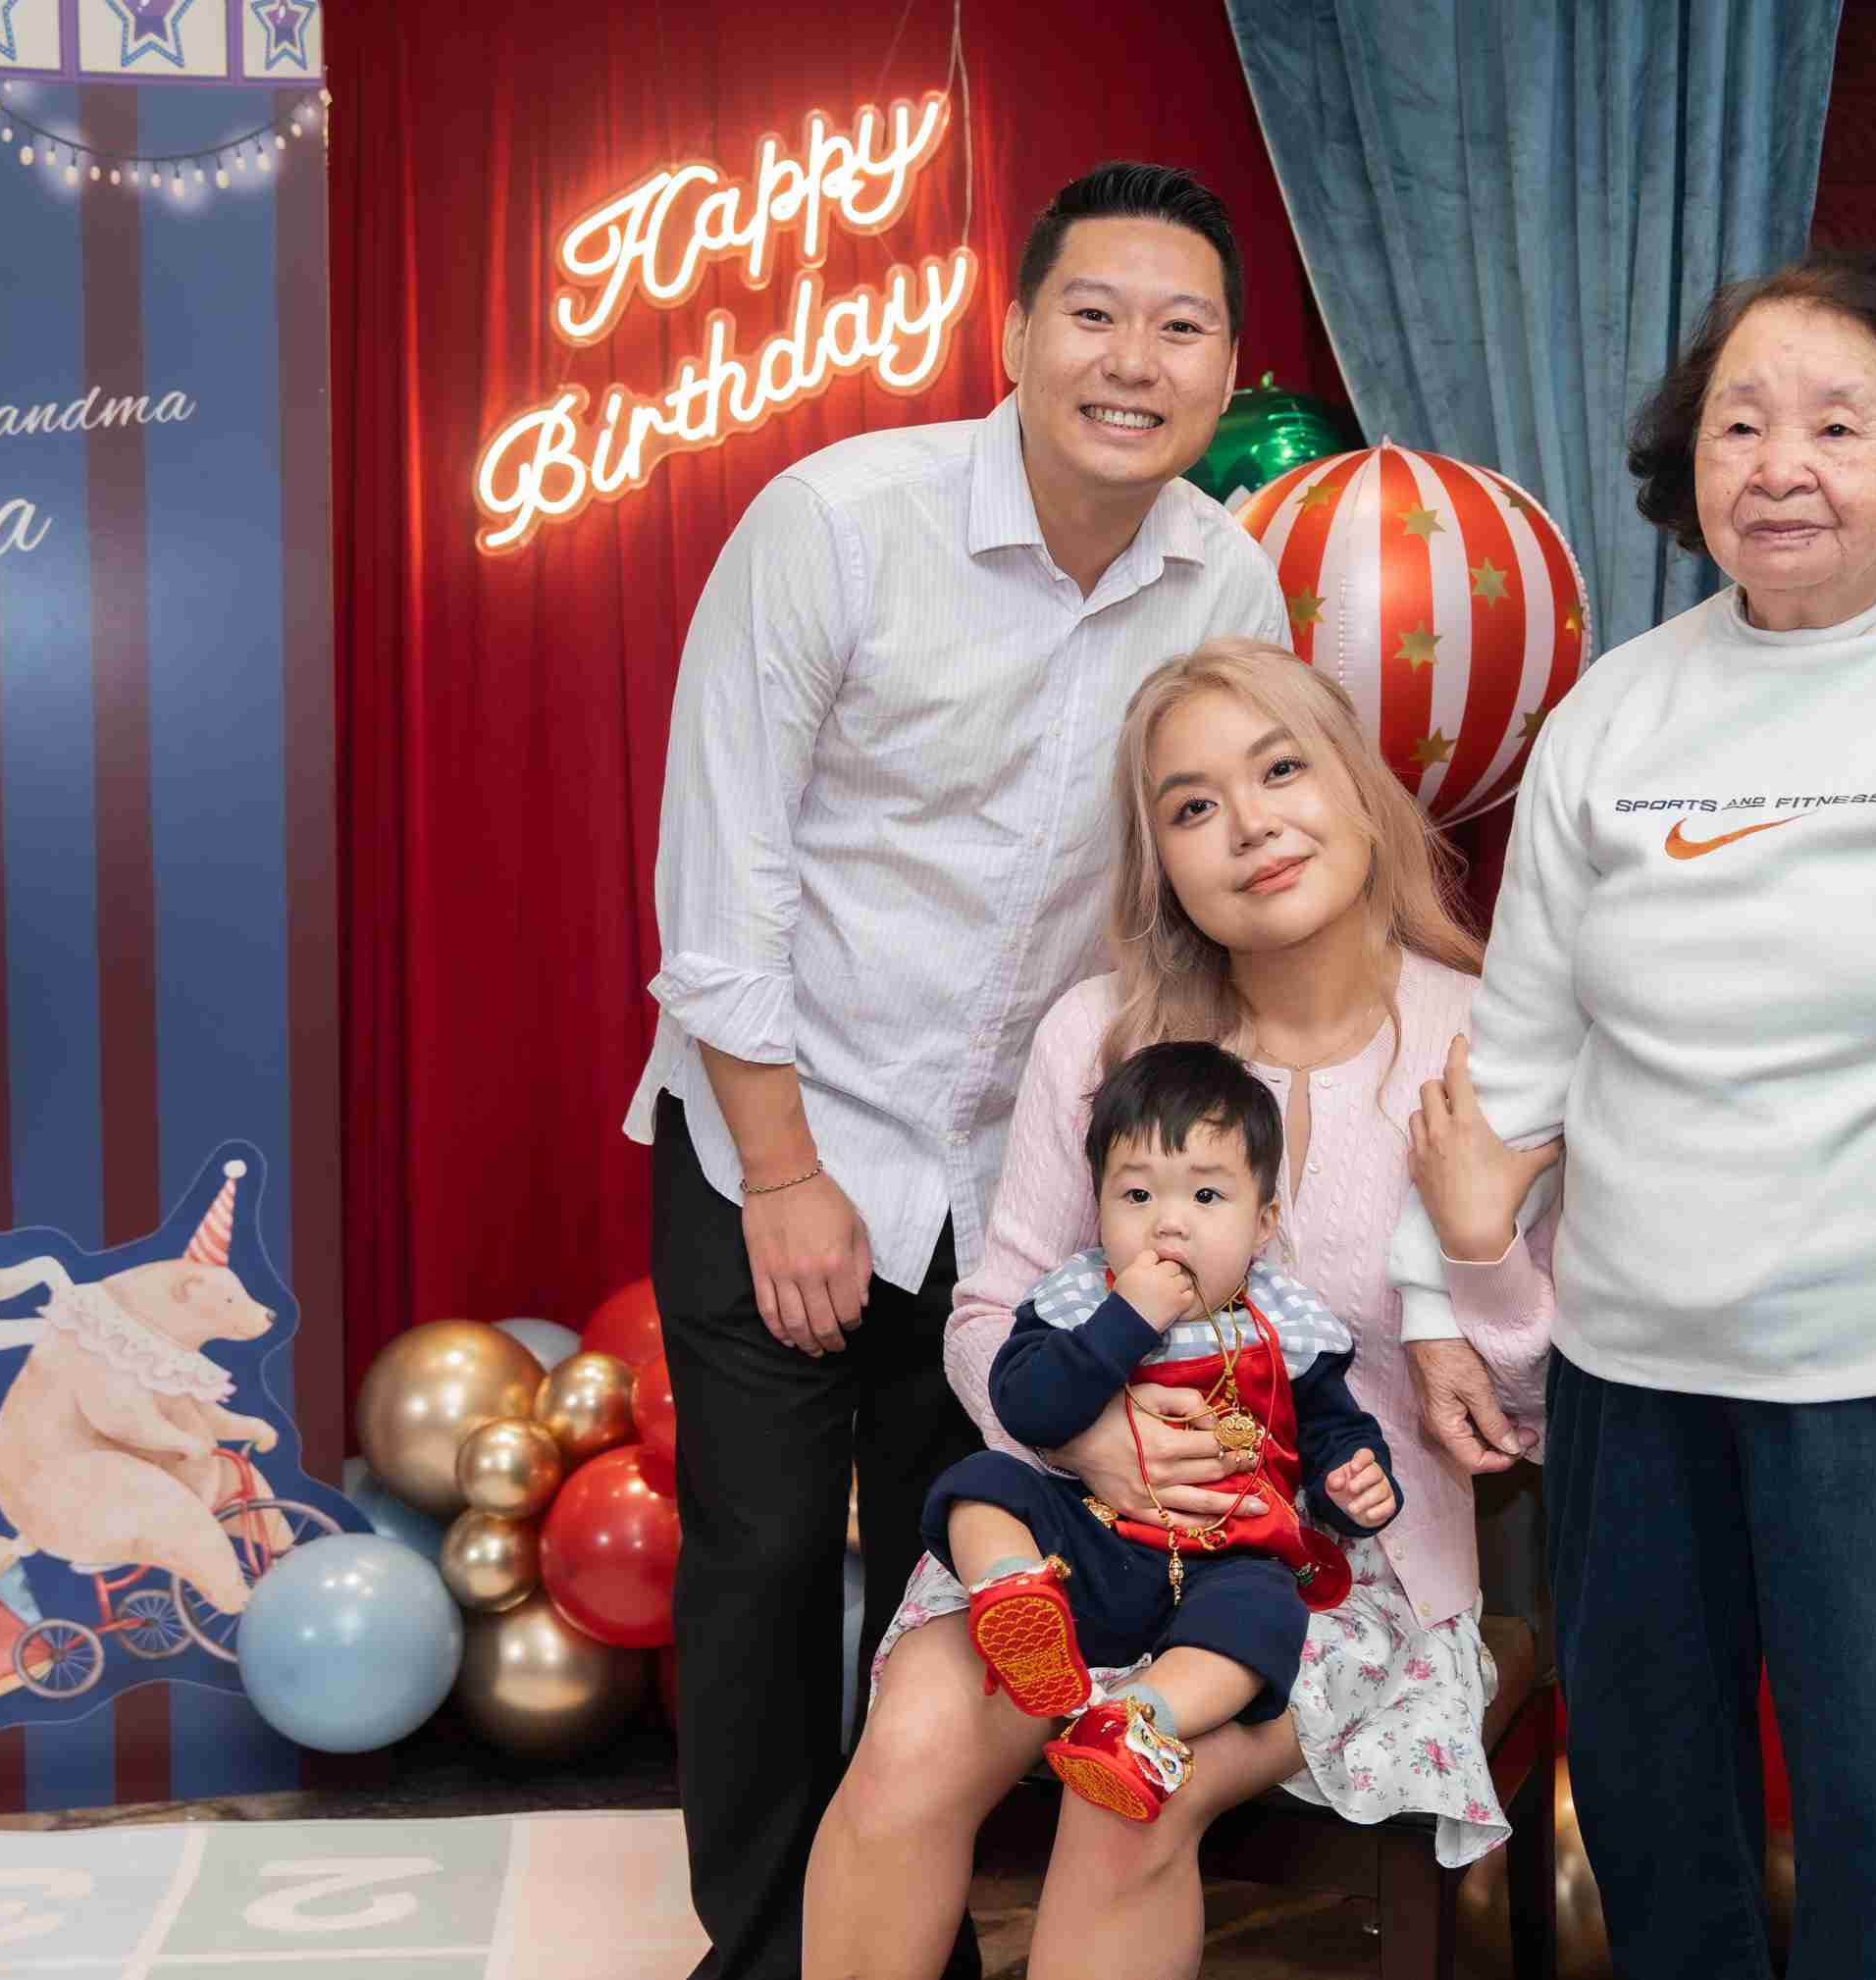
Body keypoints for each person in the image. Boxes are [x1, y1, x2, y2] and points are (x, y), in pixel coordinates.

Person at [1388, 248, 1876, 1980]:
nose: (1780, 465)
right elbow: (1517, 1047)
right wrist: (1428, 1290)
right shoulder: (1615, 711)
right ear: (1687, 460)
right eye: (1739, 422)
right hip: (1633, 1381)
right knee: (1652, 1823)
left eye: (1838, 425)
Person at [627, 162, 1290, 1980]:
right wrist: (783, 1174)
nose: (1132, 361)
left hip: (1017, 1173)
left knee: (963, 1572)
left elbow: (1212, 881)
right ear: (1011, 333)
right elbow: (723, 882)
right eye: (1094, 315)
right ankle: (768, 1955)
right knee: (767, 1556)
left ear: (1225, 371)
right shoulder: (837, 525)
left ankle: (897, 1938)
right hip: (782, 1117)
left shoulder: (1226, 576)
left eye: (1179, 328)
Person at [805, 638, 1561, 1980]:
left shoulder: (1491, 1044)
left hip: (1334, 1574)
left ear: (1359, 787)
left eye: (1281, 769)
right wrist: (1091, 1440)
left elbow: (1529, 1413)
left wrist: (1476, 1243)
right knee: (910, 1741)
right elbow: (989, 1312)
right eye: (1193, 804)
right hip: (1078, 1529)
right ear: (1159, 860)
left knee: (1129, 1788)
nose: (1250, 824)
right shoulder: (1099, 1039)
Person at [925, 1040, 1399, 1822]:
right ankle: (1014, 1597)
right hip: (1084, 1547)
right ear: (1099, 1206)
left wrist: (1355, 1479)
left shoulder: (1286, 1322)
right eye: (1137, 1195)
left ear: (1262, 1223)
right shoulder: (1079, 1301)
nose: (1168, 1224)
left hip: (1225, 1557)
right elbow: (1026, 1410)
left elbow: (1331, 1431)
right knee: (978, 1484)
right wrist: (1126, 1320)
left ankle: (1137, 1719)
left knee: (1265, 1617)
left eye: (1206, 1197)